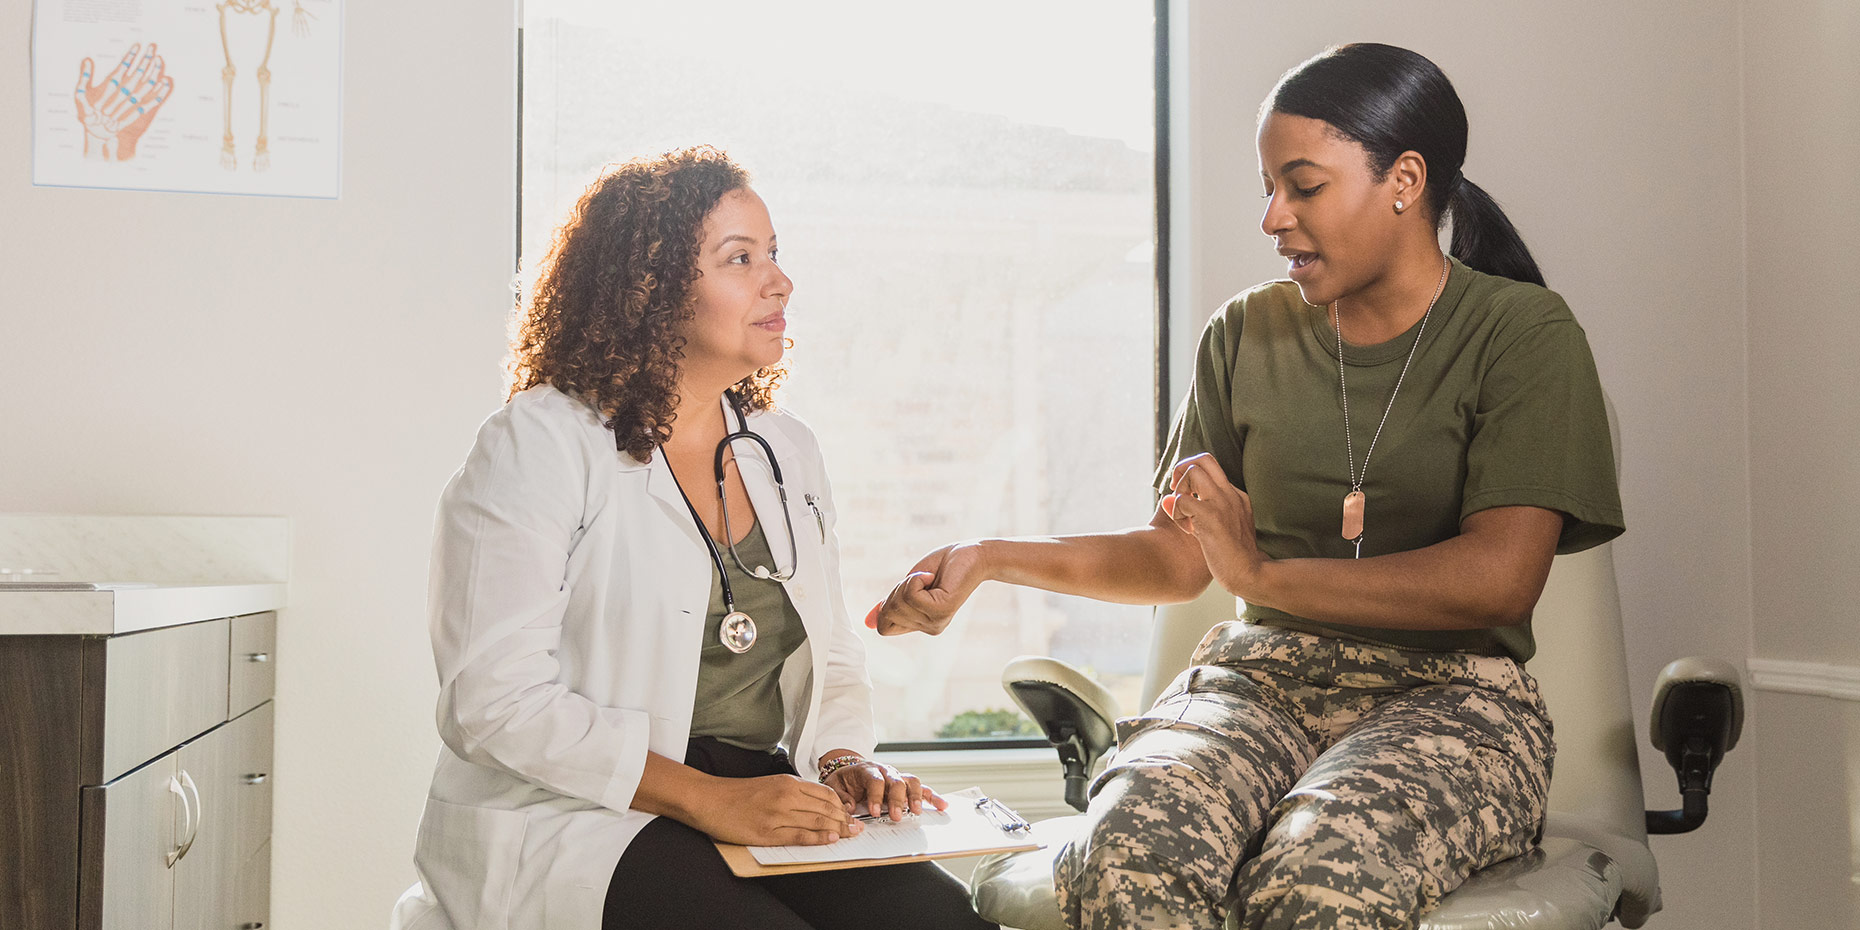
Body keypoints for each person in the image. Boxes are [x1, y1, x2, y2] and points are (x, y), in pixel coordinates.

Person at [870, 44, 1624, 930]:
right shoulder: (1243, 334)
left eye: (1303, 187)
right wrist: (986, 557)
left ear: (1405, 180)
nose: (1273, 216)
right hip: (1257, 686)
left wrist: (1262, 578)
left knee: (1321, 877)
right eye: (1267, 187)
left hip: (1455, 697)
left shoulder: (1522, 333)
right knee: (1124, 858)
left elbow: (1497, 579)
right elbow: (1179, 560)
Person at [396, 146, 996, 930]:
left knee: (944, 924)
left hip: (754, 787)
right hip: (584, 812)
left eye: (774, 254)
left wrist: (844, 762)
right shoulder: (540, 443)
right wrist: (712, 802)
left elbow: (832, 649)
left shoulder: (787, 450)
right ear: (651, 290)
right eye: (738, 259)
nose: (778, 281)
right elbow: (492, 702)